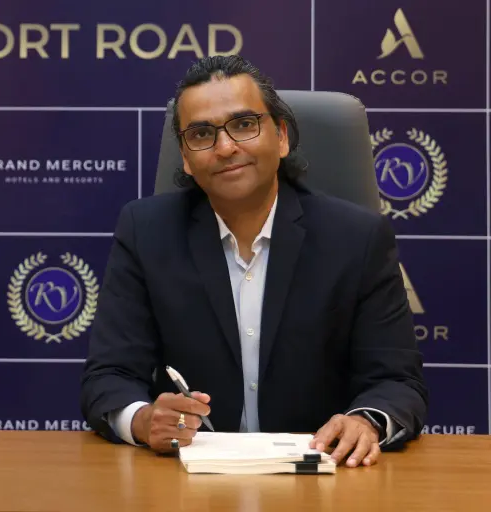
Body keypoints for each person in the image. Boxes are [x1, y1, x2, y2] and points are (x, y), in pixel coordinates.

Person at [79, 55, 428, 468]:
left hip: (320, 475)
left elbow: (396, 381)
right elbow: (109, 377)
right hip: (188, 480)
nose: (226, 147)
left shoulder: (357, 238)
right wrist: (142, 420)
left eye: (244, 125)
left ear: (281, 137)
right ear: (186, 158)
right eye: (202, 133)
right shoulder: (147, 232)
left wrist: (364, 422)